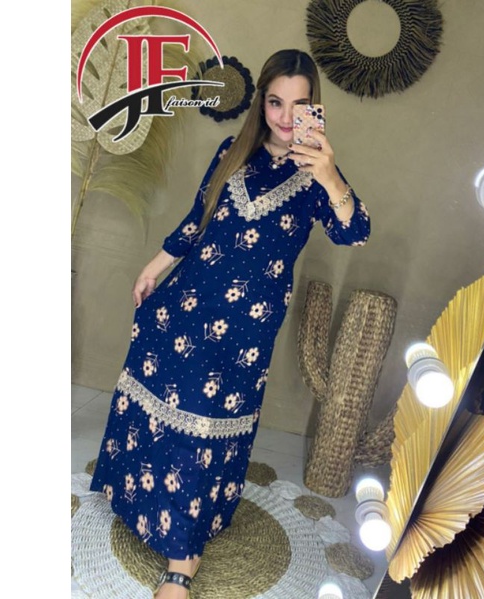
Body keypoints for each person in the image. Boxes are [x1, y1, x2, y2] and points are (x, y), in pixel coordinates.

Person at [89, 48, 371, 598]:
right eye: (275, 102)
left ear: (314, 108)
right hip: (183, 307)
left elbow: (354, 232)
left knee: (204, 428)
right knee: (154, 403)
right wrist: (153, 268)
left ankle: (182, 559)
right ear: (262, 103)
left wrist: (331, 175)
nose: (285, 116)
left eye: (299, 105)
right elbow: (196, 222)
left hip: (243, 333)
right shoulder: (232, 152)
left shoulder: (318, 176)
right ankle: (136, 498)